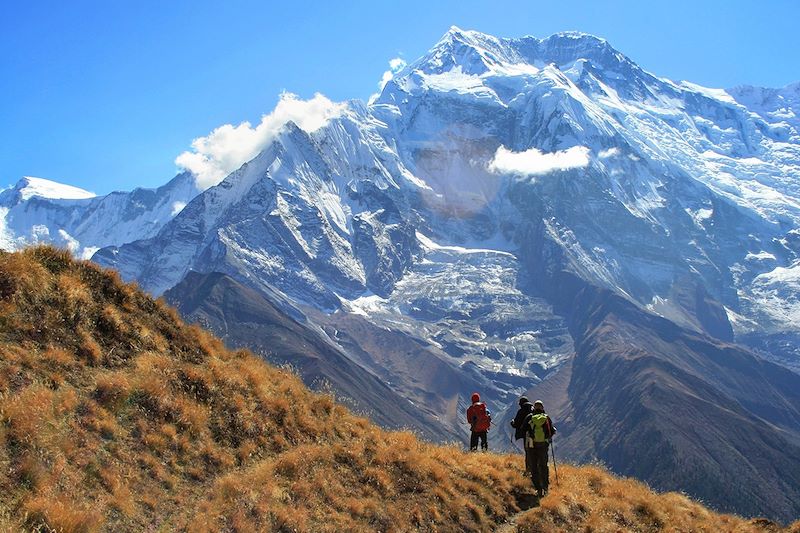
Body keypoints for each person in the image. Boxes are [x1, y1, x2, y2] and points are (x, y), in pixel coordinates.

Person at [524, 399, 556, 497]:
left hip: (532, 446)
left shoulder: (530, 417)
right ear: (542, 408)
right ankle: (545, 487)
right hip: (543, 445)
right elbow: (552, 430)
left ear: (534, 407)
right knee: (543, 465)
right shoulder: (546, 418)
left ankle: (538, 489)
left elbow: (523, 429)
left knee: (534, 466)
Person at [510, 396, 534, 472]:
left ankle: (529, 471)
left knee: (528, 452)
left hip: (527, 436)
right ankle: (536, 470)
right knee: (535, 452)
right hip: (536, 436)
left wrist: (512, 422)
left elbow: (516, 424)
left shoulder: (521, 411)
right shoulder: (533, 410)